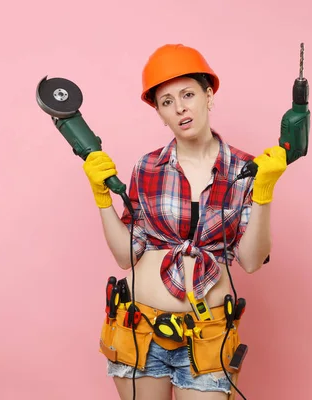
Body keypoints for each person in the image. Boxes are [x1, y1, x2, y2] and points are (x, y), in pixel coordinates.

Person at [83, 43, 287, 400]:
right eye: (166, 102)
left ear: (209, 95)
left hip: (207, 336)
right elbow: (126, 256)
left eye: (188, 94)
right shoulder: (146, 167)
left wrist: (263, 193)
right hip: (139, 329)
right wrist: (102, 199)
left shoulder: (247, 169)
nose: (180, 108)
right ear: (159, 113)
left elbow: (252, 262)